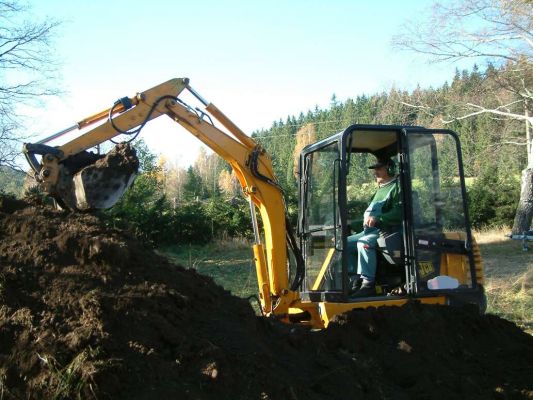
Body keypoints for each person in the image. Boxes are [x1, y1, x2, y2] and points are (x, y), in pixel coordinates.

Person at [347, 157, 402, 297]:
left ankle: (368, 284)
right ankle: (355, 281)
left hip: (385, 231)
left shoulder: (397, 187)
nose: (375, 172)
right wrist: (350, 224)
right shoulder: (379, 191)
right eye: (374, 169)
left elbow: (399, 212)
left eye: (379, 168)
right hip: (370, 230)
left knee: (364, 243)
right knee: (344, 244)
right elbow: (368, 219)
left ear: (389, 168)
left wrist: (379, 219)